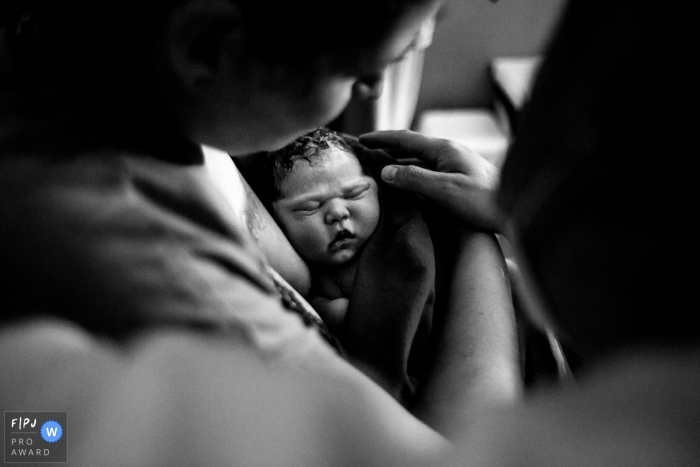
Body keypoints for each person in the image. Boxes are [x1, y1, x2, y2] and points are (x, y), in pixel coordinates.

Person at [0, 0, 520, 465]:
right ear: (207, 47)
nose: (374, 89)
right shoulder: (172, 281)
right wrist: (487, 226)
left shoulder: (81, 84)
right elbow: (461, 455)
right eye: (358, 70)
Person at [241, 126, 436, 404]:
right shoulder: (307, 277)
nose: (337, 212)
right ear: (274, 218)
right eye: (309, 207)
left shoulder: (399, 233)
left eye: (355, 193)